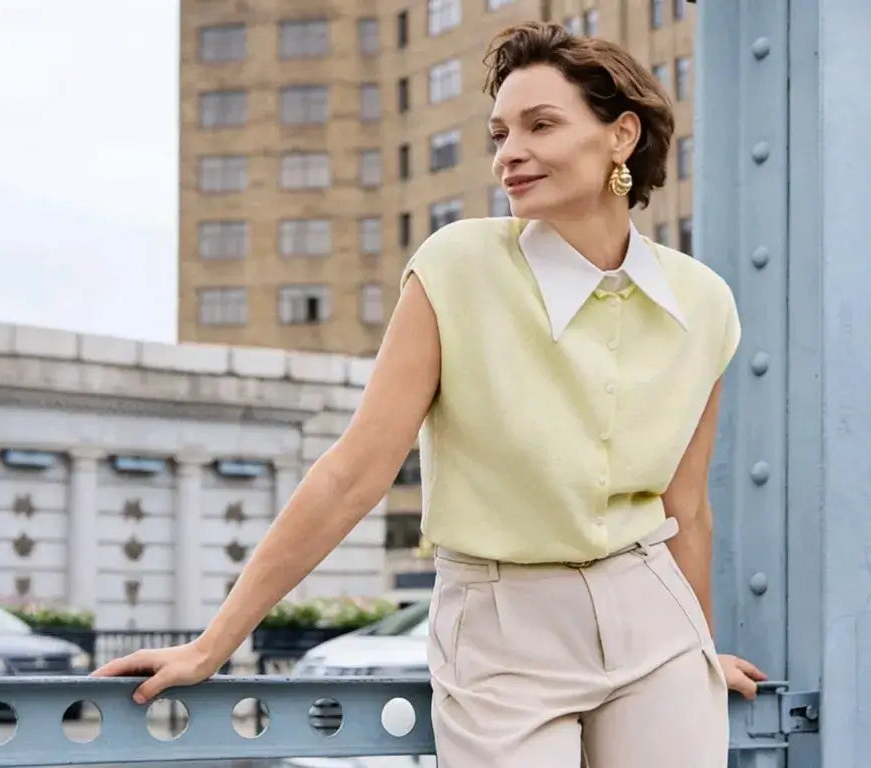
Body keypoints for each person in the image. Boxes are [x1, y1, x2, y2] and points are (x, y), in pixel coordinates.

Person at [95, 21, 766, 765]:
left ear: (621, 137)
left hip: (657, 628)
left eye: (541, 125)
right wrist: (214, 643)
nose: (510, 152)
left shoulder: (703, 302)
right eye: (500, 132)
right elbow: (355, 473)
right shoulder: (458, 266)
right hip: (500, 632)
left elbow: (687, 507)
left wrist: (701, 651)